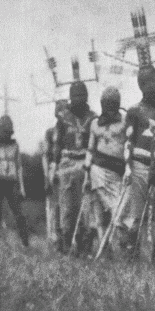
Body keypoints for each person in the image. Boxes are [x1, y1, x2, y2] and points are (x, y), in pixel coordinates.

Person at [114, 64, 155, 262]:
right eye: (145, 83)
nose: (150, 86)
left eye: (153, 81)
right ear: (140, 86)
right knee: (134, 215)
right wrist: (128, 168)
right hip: (138, 166)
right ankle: (130, 257)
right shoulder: (134, 111)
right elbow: (128, 141)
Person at [49, 81, 96, 254]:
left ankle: (85, 247)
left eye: (82, 95)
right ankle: (66, 246)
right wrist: (54, 167)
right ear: (70, 97)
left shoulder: (93, 118)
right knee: (67, 208)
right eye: (75, 96)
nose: (79, 99)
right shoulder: (63, 119)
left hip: (86, 164)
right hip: (67, 164)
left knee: (86, 209)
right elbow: (57, 144)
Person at [79, 86, 127, 256]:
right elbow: (90, 149)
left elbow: (128, 145)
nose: (108, 107)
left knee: (118, 211)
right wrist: (87, 171)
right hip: (97, 171)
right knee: (99, 215)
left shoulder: (124, 122)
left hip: (117, 172)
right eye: (106, 103)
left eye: (112, 103)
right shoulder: (95, 124)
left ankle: (122, 249)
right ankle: (105, 251)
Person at [0, 114, 29, 248]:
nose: (7, 135)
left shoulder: (15, 146)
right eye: (5, 131)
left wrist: (22, 188)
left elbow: (19, 167)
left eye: (8, 132)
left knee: (19, 215)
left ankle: (25, 244)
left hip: (12, 183)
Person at [42, 99, 68, 247]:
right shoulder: (51, 133)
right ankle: (54, 239)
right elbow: (46, 156)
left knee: (66, 205)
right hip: (54, 170)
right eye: (60, 111)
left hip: (68, 168)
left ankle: (65, 238)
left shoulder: (70, 131)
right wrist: (47, 177)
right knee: (53, 206)